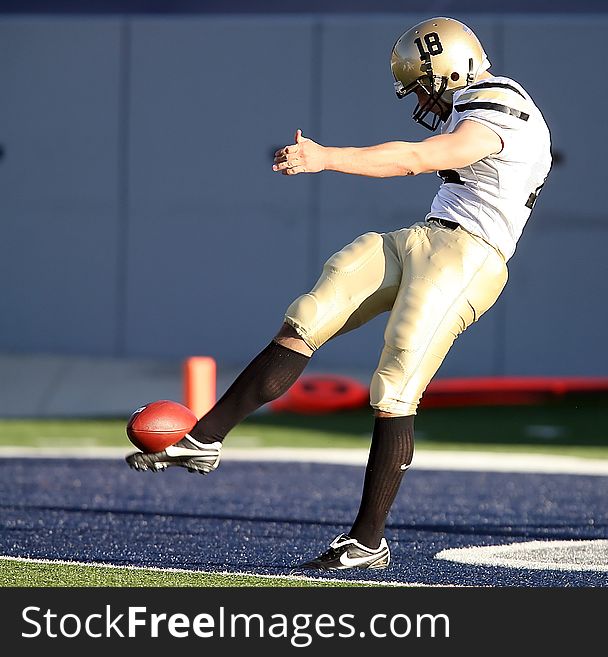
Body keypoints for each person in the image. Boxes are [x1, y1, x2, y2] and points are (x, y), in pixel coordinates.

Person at [126, 16, 552, 570]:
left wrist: (325, 158)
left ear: (448, 68)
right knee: (310, 313)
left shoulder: (501, 101)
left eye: (423, 83)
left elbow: (417, 158)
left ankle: (368, 540)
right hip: (428, 235)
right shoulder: (477, 101)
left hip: (472, 257)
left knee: (394, 384)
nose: (422, 97)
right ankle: (205, 439)